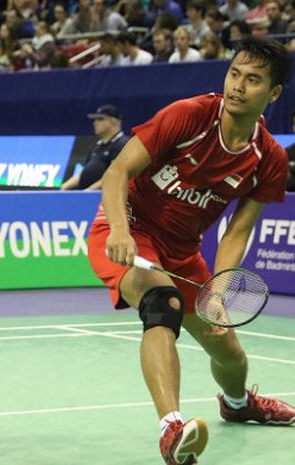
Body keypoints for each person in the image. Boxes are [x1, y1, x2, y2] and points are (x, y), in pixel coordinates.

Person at [87, 36, 295, 465]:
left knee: (230, 353)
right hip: (127, 232)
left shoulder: (268, 157)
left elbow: (239, 229)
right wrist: (121, 231)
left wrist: (217, 289)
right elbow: (117, 171)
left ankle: (238, 404)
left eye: (253, 79)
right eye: (235, 73)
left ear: (273, 93)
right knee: (163, 303)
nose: (238, 85)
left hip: (182, 253)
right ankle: (171, 429)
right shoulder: (190, 116)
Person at [62, 104, 129, 190]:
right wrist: (63, 187)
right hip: (87, 196)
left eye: (100, 119)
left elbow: (115, 176)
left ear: (114, 121)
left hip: (104, 198)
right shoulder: (96, 146)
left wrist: (89, 191)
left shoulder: (122, 144)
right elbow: (83, 173)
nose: (95, 123)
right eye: (95, 120)